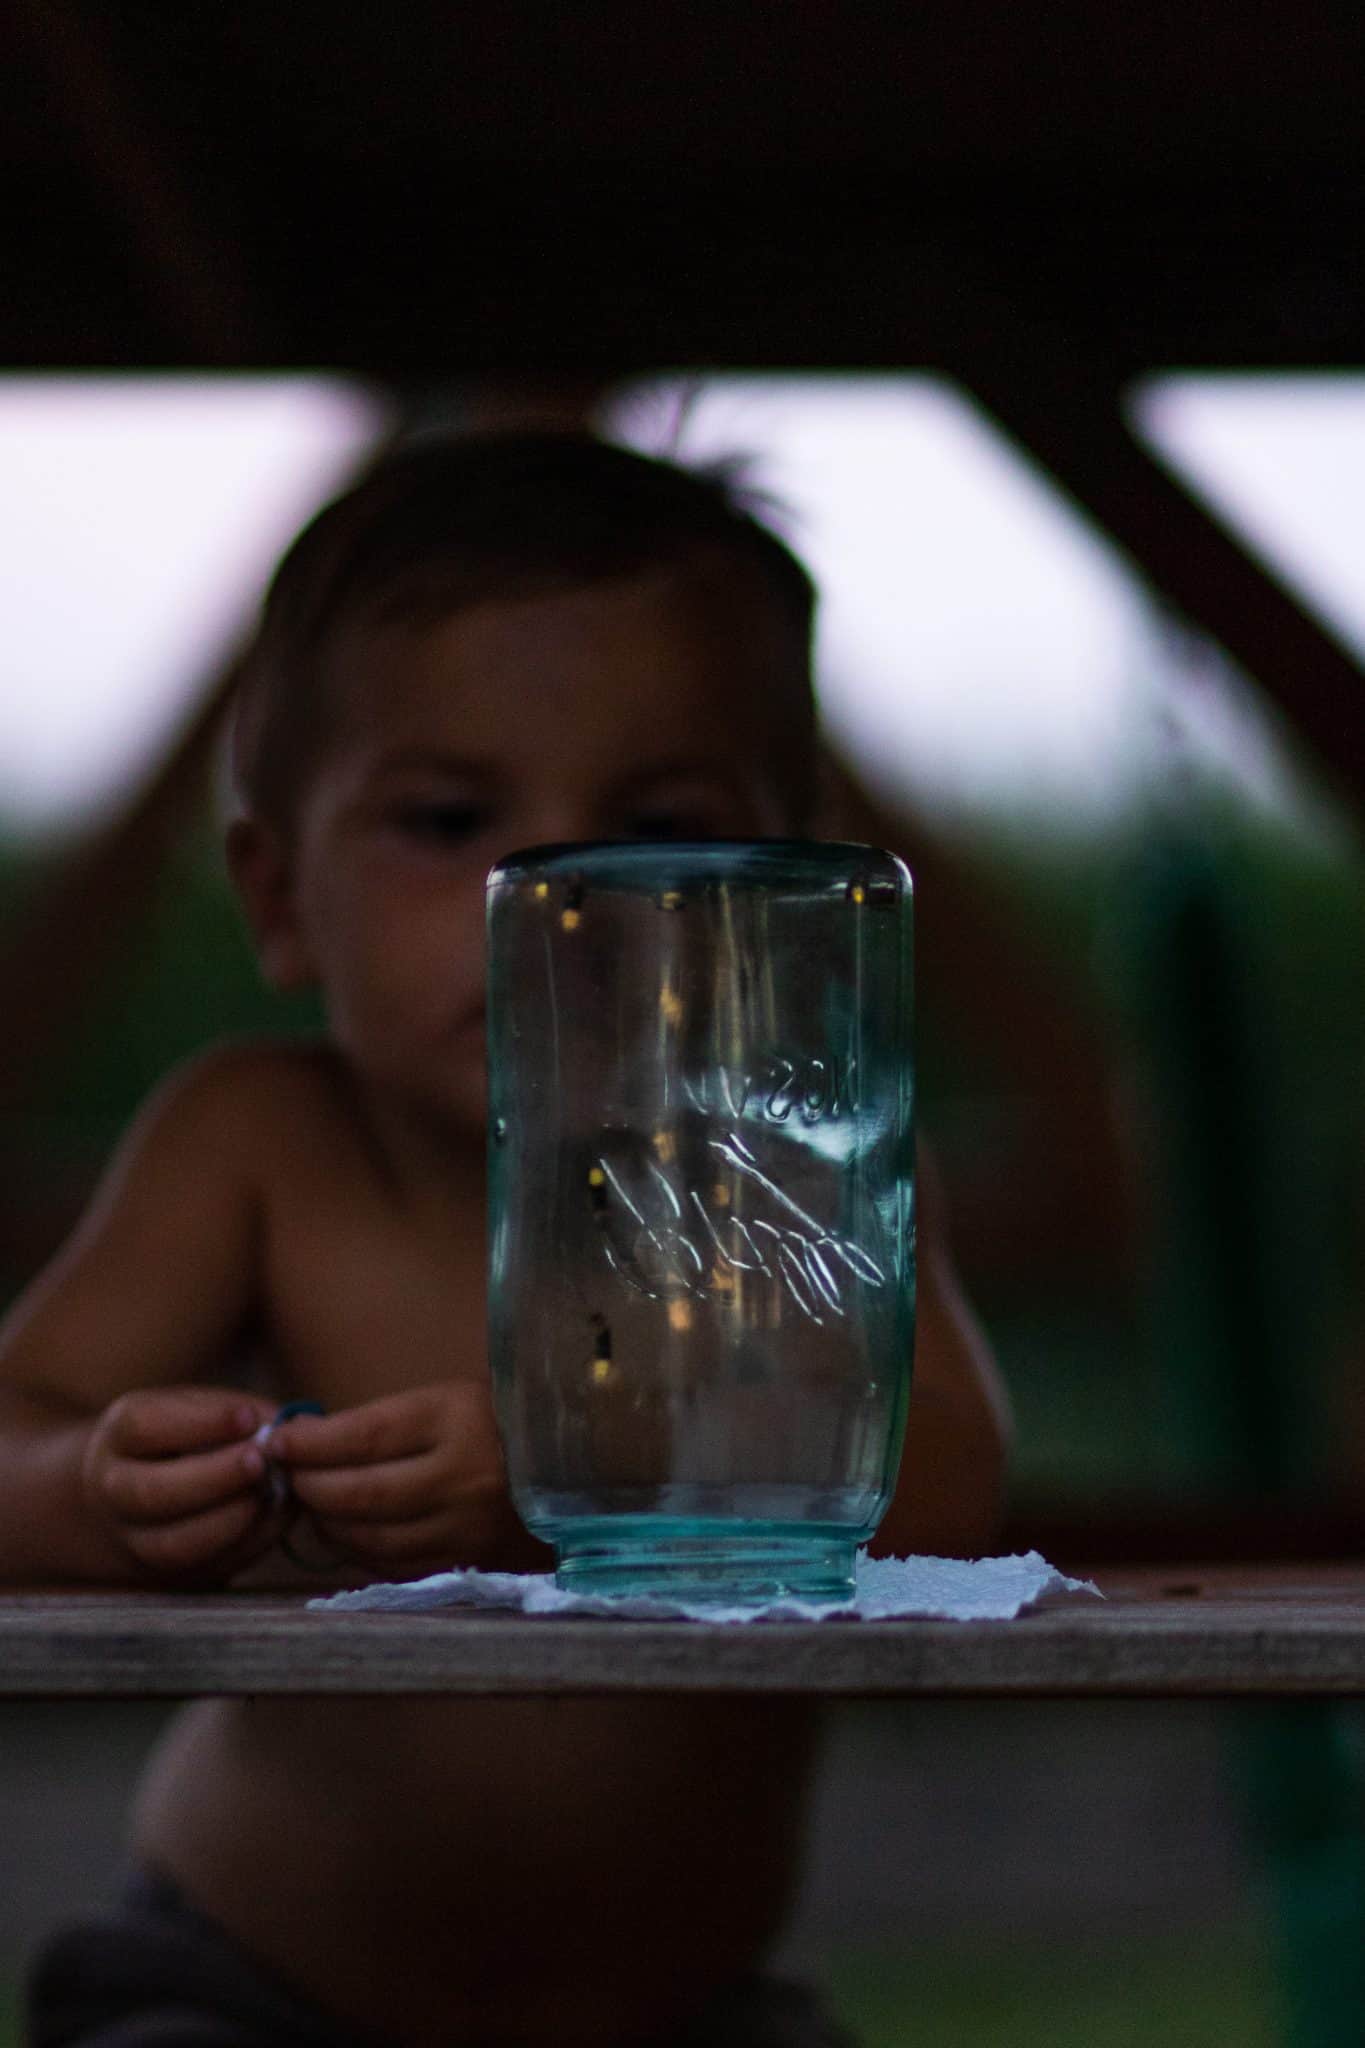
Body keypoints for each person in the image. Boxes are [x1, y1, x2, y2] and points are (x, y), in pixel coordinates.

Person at [0, 433, 1009, 2048]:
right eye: (447, 814)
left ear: (779, 878)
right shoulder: (261, 1146)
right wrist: (102, 1489)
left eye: (660, 817)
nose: (555, 892)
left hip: (681, 2011)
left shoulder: (795, 1184)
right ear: (276, 894)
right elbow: (9, 1442)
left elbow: (948, 1482)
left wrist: (576, 1478)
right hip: (251, 1988)